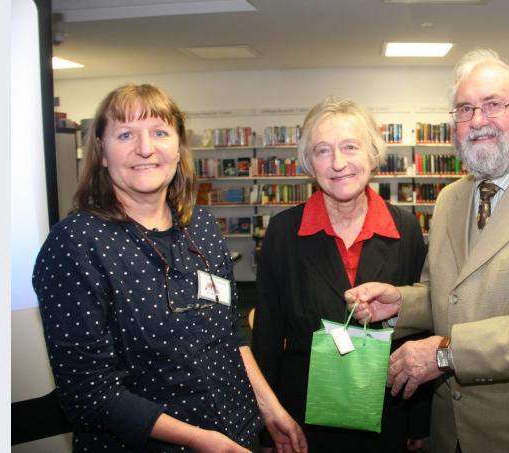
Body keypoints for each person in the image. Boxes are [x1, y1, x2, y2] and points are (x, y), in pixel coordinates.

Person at [345, 49, 509, 453]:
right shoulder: (451, 198)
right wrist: (401, 303)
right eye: (464, 109)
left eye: (493, 105)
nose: (476, 121)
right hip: (450, 426)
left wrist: (443, 354)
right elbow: (447, 293)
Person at [32, 84, 306, 453]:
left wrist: (270, 409)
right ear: (100, 152)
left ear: (178, 148)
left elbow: (231, 332)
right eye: (125, 134)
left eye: (160, 133)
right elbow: (88, 392)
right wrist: (200, 441)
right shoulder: (77, 243)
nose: (145, 148)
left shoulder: (202, 226)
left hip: (236, 432)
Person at [251, 97, 431, 453]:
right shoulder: (284, 232)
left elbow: (422, 326)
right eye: (322, 150)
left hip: (387, 406)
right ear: (308, 162)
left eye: (350, 147)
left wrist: (418, 420)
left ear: (372, 155)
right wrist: (266, 426)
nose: (338, 163)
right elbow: (268, 334)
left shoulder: (406, 228)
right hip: (303, 414)